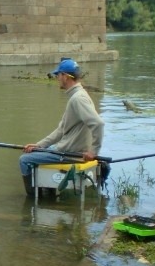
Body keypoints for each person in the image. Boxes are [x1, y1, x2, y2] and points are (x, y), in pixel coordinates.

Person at [19, 58, 105, 196]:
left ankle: (35, 199)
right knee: (37, 151)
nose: (57, 78)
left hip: (71, 152)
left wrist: (93, 151)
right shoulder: (78, 95)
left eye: (58, 75)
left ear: (65, 76)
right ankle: (48, 193)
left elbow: (98, 124)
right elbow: (60, 130)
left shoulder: (78, 99)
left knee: (24, 160)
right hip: (67, 148)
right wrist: (39, 145)